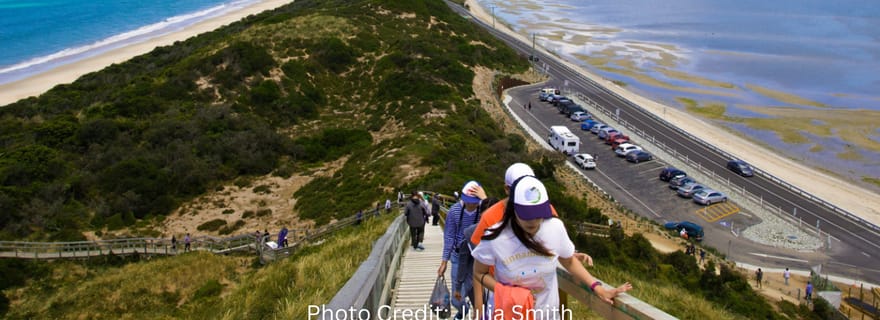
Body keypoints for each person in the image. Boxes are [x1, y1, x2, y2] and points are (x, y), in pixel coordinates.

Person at [472, 176, 632, 319]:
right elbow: (479, 272)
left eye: (538, 213)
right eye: (526, 214)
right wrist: (508, 293)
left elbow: (568, 261)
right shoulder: (496, 236)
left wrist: (597, 288)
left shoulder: (554, 228)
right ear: (513, 209)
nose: (533, 221)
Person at [469, 163, 593, 318]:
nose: (534, 221)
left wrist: (571, 255)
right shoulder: (492, 224)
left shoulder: (547, 216)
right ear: (508, 191)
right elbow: (478, 267)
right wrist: (481, 307)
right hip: (507, 307)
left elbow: (554, 246)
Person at [438, 181, 484, 320]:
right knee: (456, 298)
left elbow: (499, 219)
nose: (471, 204)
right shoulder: (454, 211)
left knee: (474, 291)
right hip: (458, 256)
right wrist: (444, 261)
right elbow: (449, 236)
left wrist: (485, 199)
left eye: (474, 201)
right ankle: (463, 309)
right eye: (468, 201)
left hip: (477, 258)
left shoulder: (484, 210)